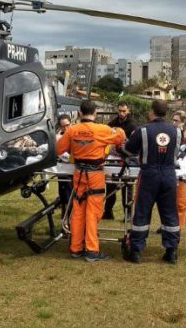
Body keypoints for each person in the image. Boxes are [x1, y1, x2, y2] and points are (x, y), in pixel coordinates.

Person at [56, 100, 125, 262]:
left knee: (78, 211)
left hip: (79, 174)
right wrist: (117, 129)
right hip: (95, 176)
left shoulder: (72, 130)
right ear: (95, 114)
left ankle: (76, 248)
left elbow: (59, 149)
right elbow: (120, 138)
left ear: (79, 113)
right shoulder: (102, 130)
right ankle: (92, 250)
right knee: (93, 213)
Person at [121, 100, 181, 264]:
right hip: (169, 174)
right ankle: (172, 251)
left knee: (142, 212)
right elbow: (176, 153)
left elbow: (128, 150)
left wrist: (120, 147)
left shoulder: (143, 130)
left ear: (152, 111)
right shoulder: (177, 131)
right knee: (170, 213)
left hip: (149, 175)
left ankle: (136, 251)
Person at [104, 101, 137, 219]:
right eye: (120, 111)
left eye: (124, 111)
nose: (122, 113)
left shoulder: (133, 125)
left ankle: (127, 214)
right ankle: (108, 211)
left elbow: (135, 144)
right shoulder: (111, 123)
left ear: (128, 111)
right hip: (113, 157)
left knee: (127, 186)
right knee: (110, 185)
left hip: (126, 157)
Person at [55, 114, 73, 217]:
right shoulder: (58, 137)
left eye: (67, 125)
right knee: (63, 193)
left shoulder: (76, 135)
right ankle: (64, 215)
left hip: (74, 169)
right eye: (63, 126)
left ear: (71, 123)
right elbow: (60, 153)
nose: (65, 128)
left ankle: (69, 216)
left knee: (71, 194)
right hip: (63, 168)